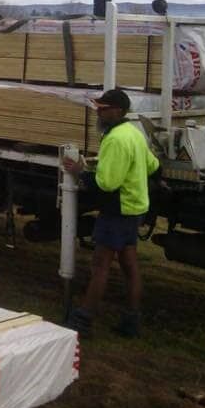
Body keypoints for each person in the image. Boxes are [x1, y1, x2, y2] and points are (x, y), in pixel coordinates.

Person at [64, 88, 159, 338]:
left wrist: (79, 172)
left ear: (118, 111)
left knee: (100, 265)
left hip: (117, 211)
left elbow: (107, 183)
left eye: (103, 109)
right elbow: (153, 165)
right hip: (135, 209)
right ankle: (132, 320)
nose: (99, 113)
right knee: (129, 265)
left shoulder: (115, 139)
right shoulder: (134, 133)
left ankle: (82, 320)